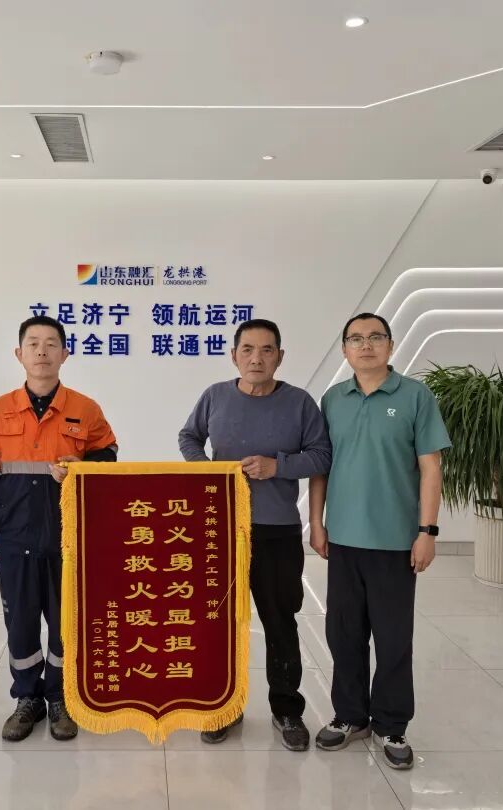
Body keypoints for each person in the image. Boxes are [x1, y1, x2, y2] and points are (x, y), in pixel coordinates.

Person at [178, 318, 331, 751]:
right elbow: (189, 437)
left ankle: (286, 709)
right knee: (220, 622)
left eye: (266, 350)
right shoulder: (215, 396)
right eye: (247, 349)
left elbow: (321, 456)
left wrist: (278, 466)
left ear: (280, 357)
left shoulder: (299, 403)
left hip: (277, 531)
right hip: (220, 529)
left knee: (279, 620)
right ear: (234, 356)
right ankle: (223, 706)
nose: (256, 358)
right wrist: (208, 471)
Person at [310, 312, 450, 770]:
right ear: (344, 349)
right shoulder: (333, 399)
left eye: (375, 337)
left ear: (390, 345)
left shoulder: (415, 396)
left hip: (395, 542)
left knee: (392, 639)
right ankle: (350, 716)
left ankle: (392, 723)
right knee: (344, 634)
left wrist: (427, 531)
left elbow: (431, 468)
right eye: (356, 338)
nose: (365, 345)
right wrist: (316, 522)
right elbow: (322, 467)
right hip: (344, 539)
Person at [0, 315, 118, 742]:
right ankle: (27, 698)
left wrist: (83, 463)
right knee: (20, 622)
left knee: (65, 622)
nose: (42, 351)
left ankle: (60, 697)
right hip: (14, 532)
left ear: (65, 353)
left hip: (68, 536)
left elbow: (110, 455)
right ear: (19, 354)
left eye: (51, 343)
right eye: (33, 344)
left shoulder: (85, 409)